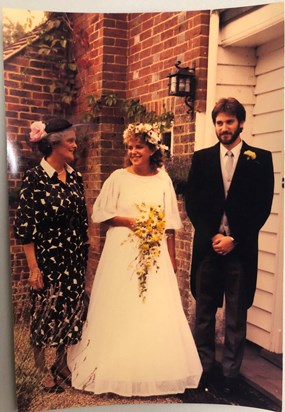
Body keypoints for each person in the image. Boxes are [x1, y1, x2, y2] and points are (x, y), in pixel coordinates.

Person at [67, 122, 202, 397]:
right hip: (122, 251)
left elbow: (169, 225)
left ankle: (153, 370)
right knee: (122, 305)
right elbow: (101, 213)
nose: (133, 152)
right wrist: (129, 221)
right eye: (130, 147)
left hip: (154, 254)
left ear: (153, 149)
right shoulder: (118, 177)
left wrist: (172, 259)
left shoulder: (163, 178)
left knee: (152, 306)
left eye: (139, 147)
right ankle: (115, 368)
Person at [185, 97, 274, 394]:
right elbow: (193, 203)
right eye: (219, 122)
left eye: (229, 122)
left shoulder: (260, 158)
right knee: (205, 311)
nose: (224, 128)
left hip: (240, 248)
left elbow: (262, 205)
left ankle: (231, 375)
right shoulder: (201, 158)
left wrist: (234, 238)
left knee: (237, 312)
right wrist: (213, 236)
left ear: (241, 123)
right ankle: (204, 369)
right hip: (208, 248)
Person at [14, 118, 89, 393]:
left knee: (70, 312)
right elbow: (24, 227)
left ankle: (60, 364)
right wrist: (34, 268)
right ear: (54, 143)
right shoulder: (34, 178)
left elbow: (82, 221)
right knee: (43, 313)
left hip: (72, 258)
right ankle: (40, 369)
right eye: (70, 140)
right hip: (47, 259)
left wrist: (83, 256)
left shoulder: (75, 177)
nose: (74, 144)